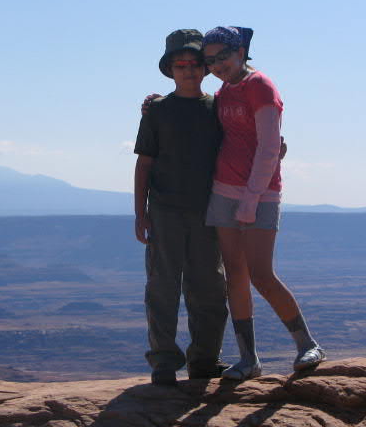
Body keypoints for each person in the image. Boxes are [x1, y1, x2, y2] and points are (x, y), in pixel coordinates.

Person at [201, 26, 325, 380]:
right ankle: (248, 360)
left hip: (260, 194)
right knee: (235, 276)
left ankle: (307, 344)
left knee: (260, 274)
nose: (217, 64)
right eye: (210, 60)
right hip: (223, 191)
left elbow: (270, 148)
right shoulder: (225, 91)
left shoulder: (261, 87)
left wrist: (250, 200)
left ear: (241, 52)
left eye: (222, 56)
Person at [134, 29, 229, 386]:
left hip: (210, 212)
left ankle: (204, 361)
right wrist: (140, 214)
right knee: (162, 288)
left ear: (205, 68)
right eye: (180, 65)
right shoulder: (157, 110)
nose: (188, 71)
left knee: (209, 289)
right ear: (170, 70)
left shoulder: (218, 108)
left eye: (194, 64)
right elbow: (144, 163)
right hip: (165, 211)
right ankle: (163, 364)